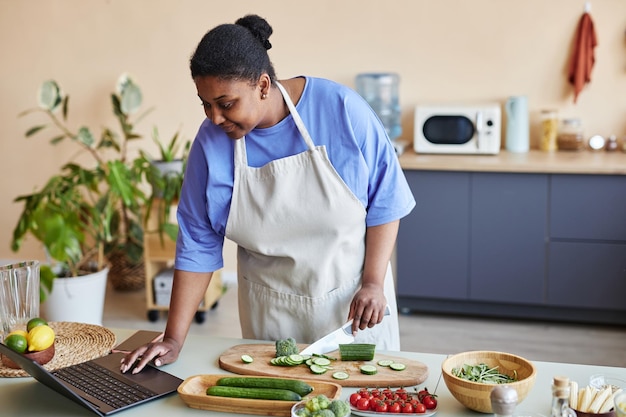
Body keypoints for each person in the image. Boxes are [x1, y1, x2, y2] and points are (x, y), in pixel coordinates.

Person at [121, 14, 415, 374]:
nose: (214, 117)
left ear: (263, 85)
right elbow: (198, 243)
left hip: (354, 312)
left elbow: (386, 202)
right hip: (272, 319)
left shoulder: (341, 110)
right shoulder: (212, 144)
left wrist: (372, 282)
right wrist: (173, 338)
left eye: (225, 103)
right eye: (205, 104)